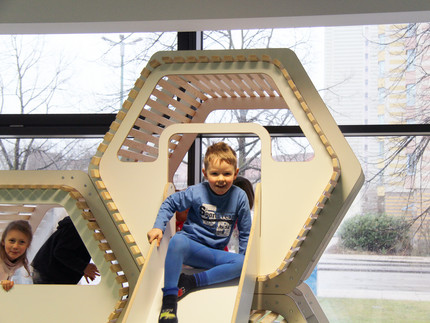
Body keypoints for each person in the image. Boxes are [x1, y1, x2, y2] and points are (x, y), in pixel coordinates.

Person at [147, 142, 252, 323]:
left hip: (214, 254)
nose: (221, 179)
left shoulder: (239, 197)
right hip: (190, 248)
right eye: (215, 173)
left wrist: (242, 269)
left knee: (245, 263)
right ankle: (169, 303)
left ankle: (191, 282)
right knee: (177, 241)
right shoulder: (197, 191)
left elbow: (245, 232)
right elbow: (170, 202)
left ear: (235, 174)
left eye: (227, 174)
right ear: (205, 174)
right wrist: (158, 226)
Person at [32, 216, 99, 284]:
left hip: (49, 272)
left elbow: (70, 250)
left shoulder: (82, 227)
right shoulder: (78, 227)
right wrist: (83, 267)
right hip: (49, 274)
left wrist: (82, 269)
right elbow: (61, 252)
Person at [0, 220, 33, 292]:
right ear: (3, 241)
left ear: (28, 245)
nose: (15, 246)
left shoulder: (20, 262)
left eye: (22, 242)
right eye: (12, 240)